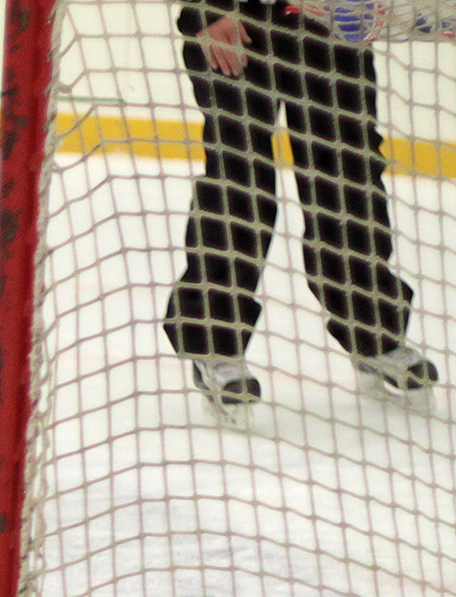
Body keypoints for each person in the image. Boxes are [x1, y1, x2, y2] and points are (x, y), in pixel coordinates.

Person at [162, 1, 439, 409]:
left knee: (348, 175)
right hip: (237, 16)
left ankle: (375, 335)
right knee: (239, 176)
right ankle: (214, 344)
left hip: (328, 17)